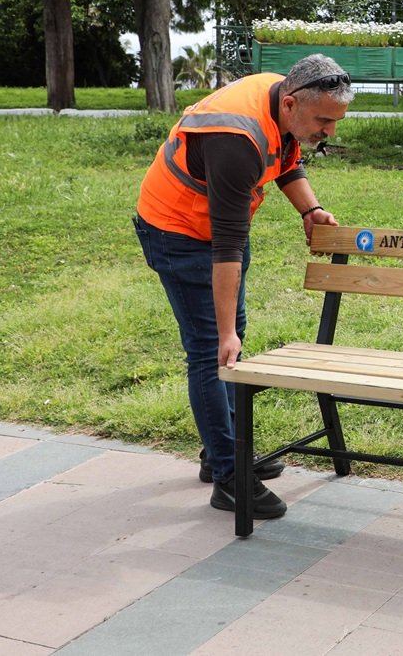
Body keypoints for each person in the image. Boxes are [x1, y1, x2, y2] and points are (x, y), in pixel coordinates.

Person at [134, 54, 353, 519]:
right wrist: (225, 332)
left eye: (335, 121)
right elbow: (227, 247)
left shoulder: (283, 97)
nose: (330, 131)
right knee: (212, 349)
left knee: (229, 343)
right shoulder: (235, 140)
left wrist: (310, 210)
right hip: (179, 231)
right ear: (292, 104)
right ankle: (230, 478)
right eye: (324, 121)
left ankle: (223, 450)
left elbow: (286, 158)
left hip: (216, 230)